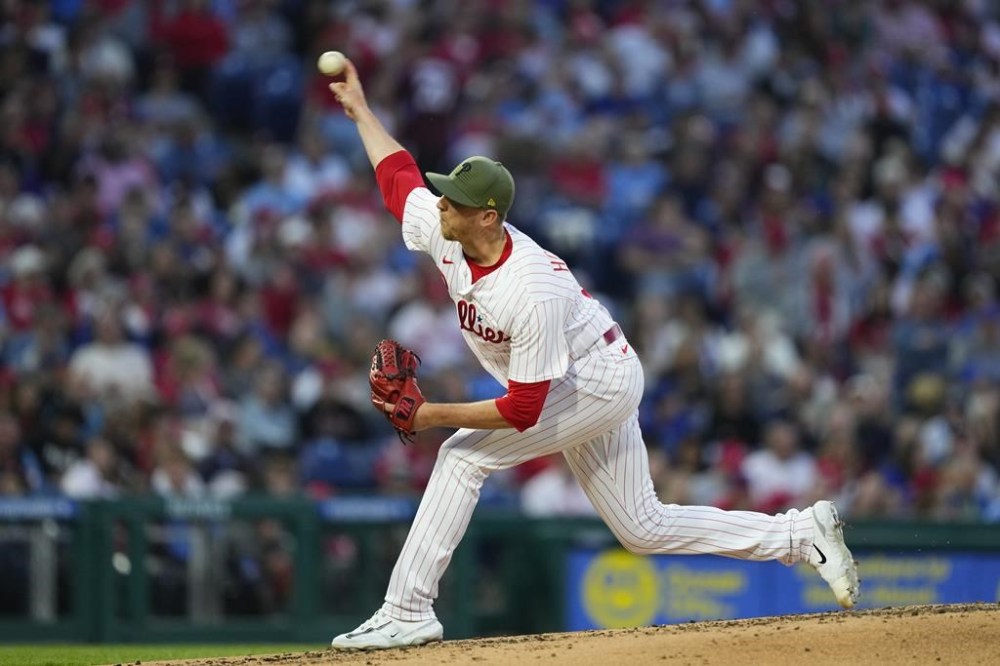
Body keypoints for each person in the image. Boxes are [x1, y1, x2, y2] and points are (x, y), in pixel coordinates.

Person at [327, 58, 860, 650]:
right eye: (444, 195)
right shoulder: (449, 229)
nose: (440, 204)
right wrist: (362, 111)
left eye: (452, 199)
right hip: (580, 372)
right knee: (642, 527)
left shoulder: (529, 287)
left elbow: (524, 409)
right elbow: (399, 179)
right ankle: (798, 535)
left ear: (488, 216)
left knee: (460, 456)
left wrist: (430, 416)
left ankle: (408, 609)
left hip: (595, 379)